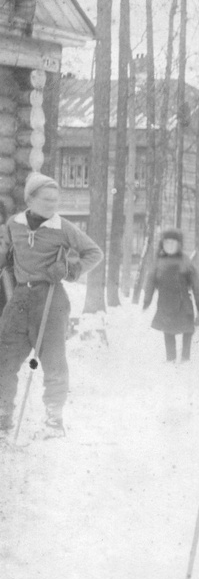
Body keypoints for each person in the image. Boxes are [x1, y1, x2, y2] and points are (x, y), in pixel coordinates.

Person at [0, 173, 103, 439]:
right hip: (20, 299)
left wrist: (69, 268)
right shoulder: (14, 224)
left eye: (55, 200)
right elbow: (5, 254)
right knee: (4, 359)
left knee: (54, 361)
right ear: (30, 199)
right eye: (46, 200)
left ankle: (53, 419)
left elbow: (94, 253)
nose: (52, 205)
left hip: (51, 298)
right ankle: (3, 414)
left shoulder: (63, 228)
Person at [142, 228, 199, 363]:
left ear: (179, 245)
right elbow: (150, 281)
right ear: (162, 244)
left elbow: (196, 283)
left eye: (173, 243)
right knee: (168, 330)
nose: (169, 246)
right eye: (167, 243)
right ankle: (171, 358)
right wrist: (147, 300)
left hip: (183, 301)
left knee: (188, 329)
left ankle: (185, 358)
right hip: (165, 302)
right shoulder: (158, 262)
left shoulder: (185, 261)